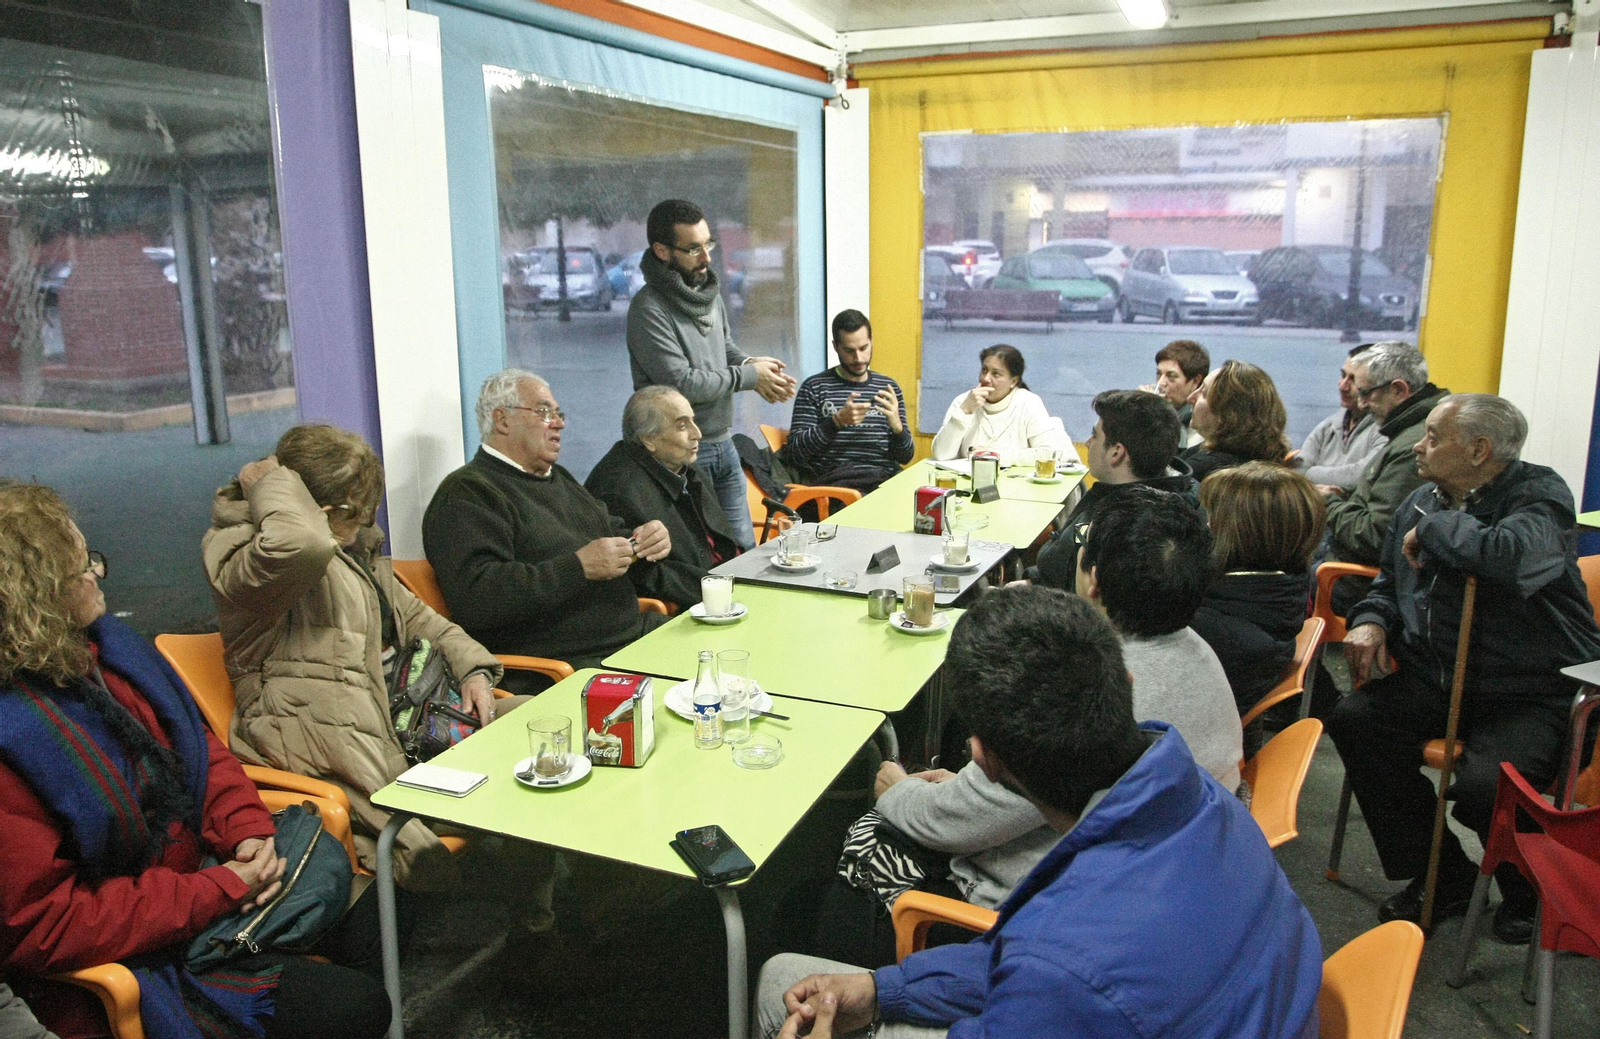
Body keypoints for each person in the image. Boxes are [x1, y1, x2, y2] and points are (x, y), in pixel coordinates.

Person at [756, 587, 1322, 1039]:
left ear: (984, 760)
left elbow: (1047, 976)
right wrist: (888, 990)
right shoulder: (1205, 799)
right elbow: (1014, 966)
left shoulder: (1062, 954)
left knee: (780, 984)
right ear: (1124, 685)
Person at [0, 482, 389, 1039]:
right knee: (354, 1007)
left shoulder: (107, 651)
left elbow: (198, 753)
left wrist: (246, 830)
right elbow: (47, 925)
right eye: (79, 569)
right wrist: (221, 889)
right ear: (30, 600)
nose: (97, 574)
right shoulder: (14, 738)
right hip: (133, 954)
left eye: (91, 558)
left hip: (197, 883)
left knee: (372, 917)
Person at [207, 423, 554, 916]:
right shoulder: (250, 554)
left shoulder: (352, 548)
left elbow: (419, 618)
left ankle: (542, 915)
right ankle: (535, 927)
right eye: (358, 508)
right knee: (521, 784)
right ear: (320, 509)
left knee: (546, 731)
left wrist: (475, 671)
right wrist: (268, 482)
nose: (370, 518)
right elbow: (299, 542)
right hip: (328, 732)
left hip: (405, 712)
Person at [1327, 394, 1600, 942]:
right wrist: (1372, 621)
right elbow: (1386, 583)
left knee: (1485, 787)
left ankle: (1527, 884)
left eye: (1432, 436)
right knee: (1356, 720)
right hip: (1440, 678)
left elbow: (1510, 556)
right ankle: (1444, 873)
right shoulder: (1423, 499)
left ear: (1479, 450)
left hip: (1532, 690)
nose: (1419, 447)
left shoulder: (1539, 494)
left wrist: (1433, 530)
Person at [423, 370, 672, 682]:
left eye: (558, 413)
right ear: (502, 421)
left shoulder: (559, 479)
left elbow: (609, 537)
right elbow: (479, 598)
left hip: (630, 638)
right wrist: (578, 568)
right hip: (566, 665)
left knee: (730, 655)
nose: (559, 422)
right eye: (544, 412)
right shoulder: (467, 493)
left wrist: (644, 542)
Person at [627, 198, 796, 549]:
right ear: (661, 250)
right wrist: (749, 378)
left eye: (708, 244)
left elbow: (725, 351)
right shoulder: (648, 309)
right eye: (692, 249)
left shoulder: (708, 294)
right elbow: (682, 384)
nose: (706, 258)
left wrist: (752, 365)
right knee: (707, 558)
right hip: (680, 453)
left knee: (744, 552)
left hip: (722, 442)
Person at [1075, 486, 1245, 792]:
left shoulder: (1099, 700)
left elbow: (973, 820)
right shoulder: (1196, 647)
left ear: (1094, 579)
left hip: (1130, 834)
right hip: (1206, 819)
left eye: (1082, 539)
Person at [1319, 340, 1450, 614]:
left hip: (1359, 583)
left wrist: (1329, 503)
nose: (1362, 403)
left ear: (1398, 390)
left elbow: (1377, 537)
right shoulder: (1408, 433)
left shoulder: (1411, 448)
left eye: (1366, 393)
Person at [1190, 462, 1326, 721]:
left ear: (1239, 534)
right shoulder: (1282, 588)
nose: (1205, 527)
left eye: (1212, 519)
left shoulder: (1212, 628)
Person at [585, 386, 741, 608]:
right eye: (682, 425)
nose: (697, 433)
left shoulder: (686, 467)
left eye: (693, 421)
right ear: (649, 439)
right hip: (696, 600)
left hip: (723, 581)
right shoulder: (618, 489)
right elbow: (650, 577)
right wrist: (729, 588)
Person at [1033, 388, 1197, 590]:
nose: (1087, 442)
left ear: (1116, 452)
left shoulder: (1123, 527)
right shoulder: (1181, 494)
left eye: (1095, 435)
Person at [783, 309, 913, 494]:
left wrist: (898, 429)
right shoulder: (815, 387)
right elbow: (794, 454)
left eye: (863, 348)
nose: (858, 358)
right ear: (836, 346)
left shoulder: (888, 388)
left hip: (882, 484)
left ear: (871, 341)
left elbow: (905, 457)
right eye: (849, 351)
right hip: (834, 487)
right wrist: (836, 422)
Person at [929, 345, 1070, 465]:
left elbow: (1047, 453)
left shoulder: (1029, 402)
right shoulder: (963, 401)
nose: (986, 378)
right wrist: (964, 412)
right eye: (984, 370)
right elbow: (941, 455)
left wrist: (994, 456)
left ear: (1014, 381)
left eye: (996, 374)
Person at [1294, 342, 1388, 493]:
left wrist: (1311, 473)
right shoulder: (1327, 427)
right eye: (1343, 375)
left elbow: (1360, 476)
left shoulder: (1386, 430)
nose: (1343, 386)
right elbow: (1296, 474)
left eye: (1353, 380)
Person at [1181, 359, 1291, 481]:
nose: (1191, 398)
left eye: (1204, 393)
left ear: (1229, 414)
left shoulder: (1199, 469)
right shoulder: (1269, 466)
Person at [1140, 338, 1209, 449]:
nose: (1161, 382)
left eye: (1171, 376)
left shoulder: (1202, 429)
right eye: (1159, 374)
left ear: (1195, 381)